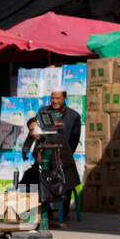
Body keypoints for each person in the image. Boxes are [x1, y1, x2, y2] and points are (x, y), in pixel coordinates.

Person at [35, 90, 82, 228]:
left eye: (58, 98)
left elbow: (74, 139)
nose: (54, 101)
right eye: (52, 98)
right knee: (34, 178)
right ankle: (45, 211)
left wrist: (63, 154)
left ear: (65, 98)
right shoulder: (43, 112)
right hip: (44, 155)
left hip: (63, 157)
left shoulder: (74, 116)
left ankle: (64, 211)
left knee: (64, 179)